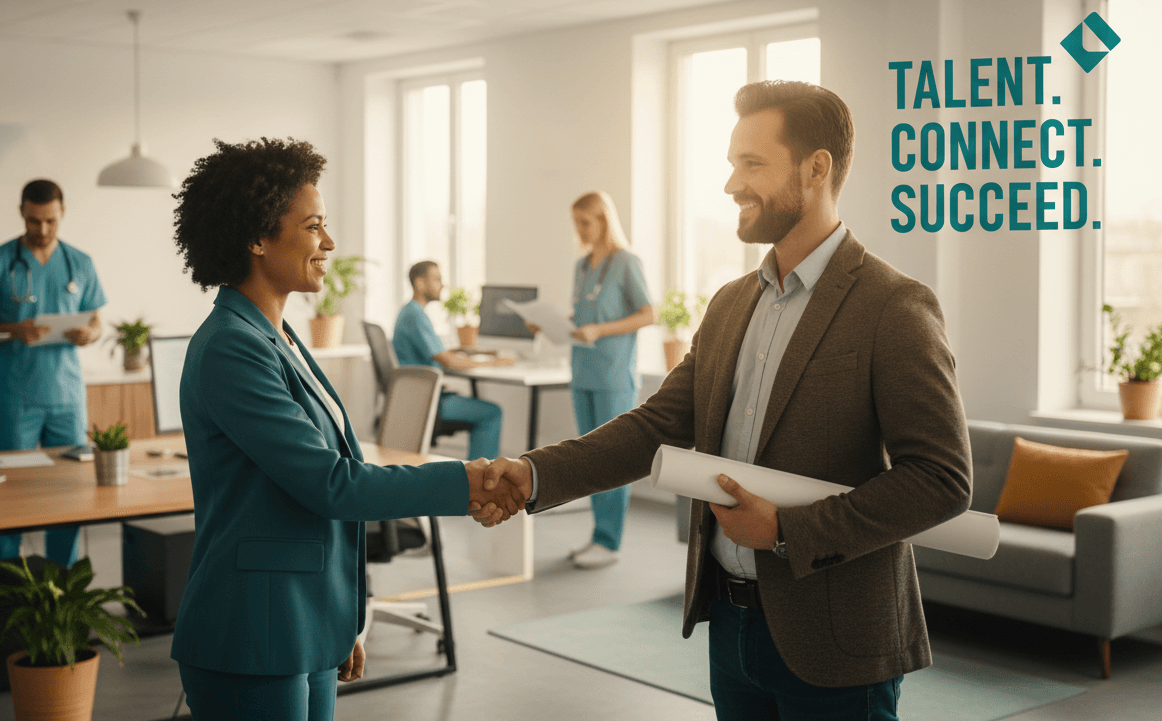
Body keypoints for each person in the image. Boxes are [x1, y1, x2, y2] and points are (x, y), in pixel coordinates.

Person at [482, 81, 973, 720]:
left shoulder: (894, 306)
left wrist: (786, 531)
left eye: (752, 164)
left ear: (816, 167)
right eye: (731, 164)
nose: (730, 185)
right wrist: (534, 472)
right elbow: (657, 426)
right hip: (731, 628)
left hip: (836, 642)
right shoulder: (732, 303)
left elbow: (941, 479)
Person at [167, 137, 520, 721]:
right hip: (252, 630)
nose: (328, 242)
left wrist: (341, 617)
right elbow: (332, 485)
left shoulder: (276, 337)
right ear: (256, 237)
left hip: (301, 618)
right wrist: (468, 481)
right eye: (313, 226)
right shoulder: (232, 347)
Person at [0, 179, 105, 567]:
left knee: (69, 492)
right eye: (33, 221)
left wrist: (89, 334)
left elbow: (96, 321)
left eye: (50, 222)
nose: (41, 230)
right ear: (22, 213)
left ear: (62, 214)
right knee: (10, 493)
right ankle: (7, 584)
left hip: (66, 399)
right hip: (15, 397)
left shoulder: (81, 262)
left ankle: (64, 585)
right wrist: (13, 330)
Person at [559, 190, 655, 569]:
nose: (580, 230)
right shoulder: (582, 266)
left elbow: (649, 314)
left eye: (586, 222)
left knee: (612, 460)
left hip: (613, 376)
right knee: (589, 460)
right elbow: (580, 316)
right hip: (582, 372)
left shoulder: (626, 263)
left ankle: (608, 541)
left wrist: (601, 331)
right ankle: (597, 535)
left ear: (603, 221)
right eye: (577, 223)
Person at [392, 260, 512, 460]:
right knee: (492, 413)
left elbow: (439, 353)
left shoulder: (410, 312)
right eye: (437, 279)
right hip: (428, 400)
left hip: (418, 396)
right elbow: (448, 362)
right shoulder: (415, 315)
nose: (442, 284)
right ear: (420, 284)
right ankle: (481, 481)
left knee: (486, 409)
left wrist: (464, 351)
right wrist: (494, 362)